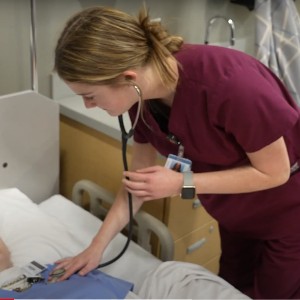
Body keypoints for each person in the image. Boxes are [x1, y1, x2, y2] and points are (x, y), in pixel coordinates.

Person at [53, 5, 300, 299]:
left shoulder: (231, 84)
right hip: (233, 213)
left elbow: (275, 171)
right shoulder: (140, 102)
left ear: (129, 77)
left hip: (286, 214)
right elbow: (137, 185)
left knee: (276, 293)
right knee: (231, 288)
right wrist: (95, 249)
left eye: (90, 96)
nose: (88, 107)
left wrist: (182, 182)